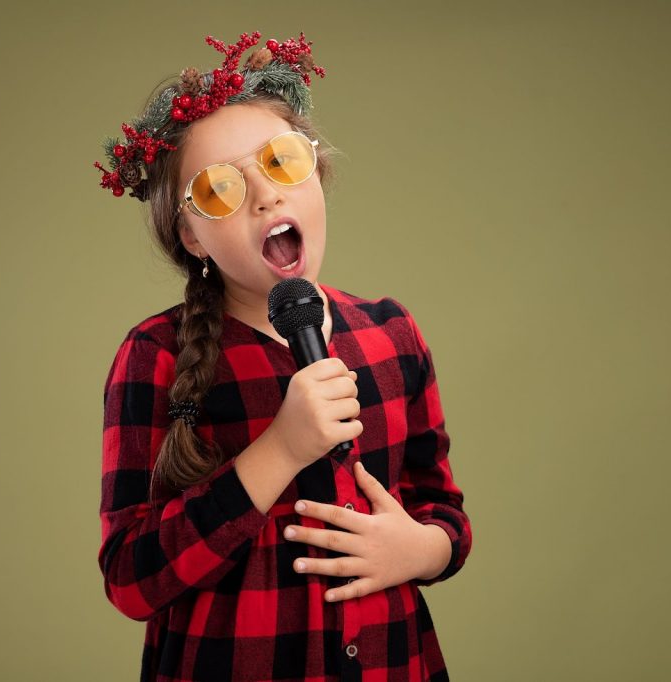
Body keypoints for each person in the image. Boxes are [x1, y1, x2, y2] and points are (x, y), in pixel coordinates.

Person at [95, 31, 473, 681]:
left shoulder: (391, 333)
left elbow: (444, 513)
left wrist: (420, 550)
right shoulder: (154, 356)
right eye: (219, 191)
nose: (266, 196)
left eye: (282, 163)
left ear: (318, 173)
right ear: (192, 236)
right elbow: (133, 580)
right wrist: (281, 448)